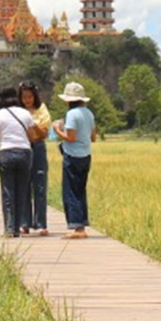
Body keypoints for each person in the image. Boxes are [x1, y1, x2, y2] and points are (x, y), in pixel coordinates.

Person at [0, 87, 35, 238]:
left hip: (6, 153)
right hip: (24, 153)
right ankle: (17, 228)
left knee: (8, 192)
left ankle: (9, 229)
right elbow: (32, 136)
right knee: (21, 192)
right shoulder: (25, 113)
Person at [52, 81, 97, 239]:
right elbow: (93, 137)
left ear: (68, 100)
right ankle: (82, 223)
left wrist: (57, 129)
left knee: (71, 191)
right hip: (86, 155)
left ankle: (77, 228)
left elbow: (70, 138)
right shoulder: (89, 113)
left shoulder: (72, 114)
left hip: (72, 156)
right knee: (80, 190)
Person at [18, 82, 51, 236]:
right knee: (24, 185)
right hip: (23, 148)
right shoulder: (17, 111)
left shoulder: (41, 109)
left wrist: (31, 124)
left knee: (40, 185)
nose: (27, 100)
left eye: (30, 96)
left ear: (35, 96)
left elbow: (44, 133)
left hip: (37, 147)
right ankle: (24, 223)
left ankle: (41, 224)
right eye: (24, 97)